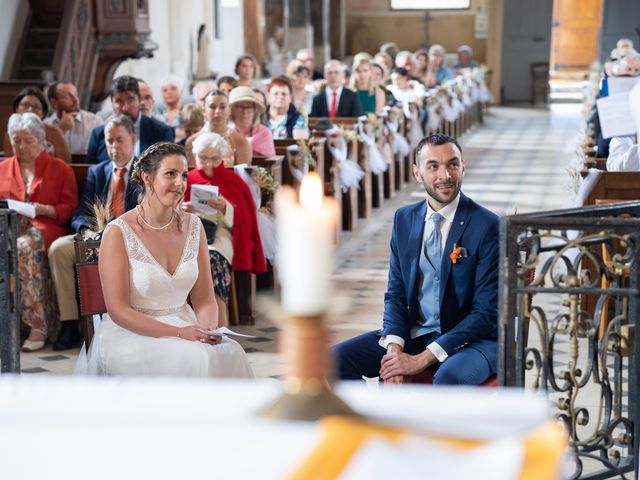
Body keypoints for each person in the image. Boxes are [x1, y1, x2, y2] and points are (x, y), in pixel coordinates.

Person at [334, 134, 499, 385]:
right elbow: (396, 293)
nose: (445, 175)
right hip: (416, 333)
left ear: (462, 167)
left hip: (473, 341)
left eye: (452, 164)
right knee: (334, 360)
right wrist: (395, 351)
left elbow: (485, 312)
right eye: (433, 166)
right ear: (417, 173)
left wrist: (421, 359)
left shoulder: (486, 225)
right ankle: (371, 422)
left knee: (448, 378)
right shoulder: (405, 219)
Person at [80, 142, 253, 377]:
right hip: (133, 334)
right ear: (147, 178)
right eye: (170, 174)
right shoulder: (118, 232)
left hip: (187, 324)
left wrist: (208, 329)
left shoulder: (195, 226)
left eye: (183, 175)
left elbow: (204, 299)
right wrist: (179, 333)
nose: (180, 183)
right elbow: (119, 310)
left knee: (231, 353)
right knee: (193, 360)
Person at [48, 115, 140, 350]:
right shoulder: (97, 172)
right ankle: (69, 324)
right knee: (59, 249)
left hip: (131, 239)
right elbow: (81, 210)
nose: (113, 147)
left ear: (132, 139)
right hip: (96, 237)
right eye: (109, 141)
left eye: (119, 140)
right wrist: (87, 230)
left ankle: (128, 319)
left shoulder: (145, 172)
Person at [0, 112, 78, 351]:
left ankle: (38, 324)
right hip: (9, 224)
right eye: (16, 141)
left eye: (27, 141)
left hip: (46, 226)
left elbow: (69, 209)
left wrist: (46, 209)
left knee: (23, 248)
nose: (21, 146)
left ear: (41, 140)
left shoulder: (60, 168)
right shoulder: (3, 168)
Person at [183, 133, 267, 326]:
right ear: (195, 157)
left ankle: (219, 325)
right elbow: (168, 211)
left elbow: (245, 219)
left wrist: (225, 207)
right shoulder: (187, 179)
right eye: (203, 158)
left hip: (220, 237)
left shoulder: (233, 181)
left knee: (210, 261)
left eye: (213, 159)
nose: (208, 164)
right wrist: (182, 209)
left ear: (222, 158)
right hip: (189, 234)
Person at [86, 75, 175, 164]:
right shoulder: (99, 134)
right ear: (112, 103)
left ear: (139, 100)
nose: (125, 108)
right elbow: (89, 170)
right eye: (118, 101)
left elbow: (168, 167)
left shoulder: (161, 131)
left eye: (130, 100)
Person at [185, 89, 251, 167]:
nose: (217, 111)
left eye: (222, 107)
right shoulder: (192, 142)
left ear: (229, 110)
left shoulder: (241, 142)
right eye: (212, 107)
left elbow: (243, 176)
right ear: (203, 110)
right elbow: (191, 175)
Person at [3, 86, 71, 163]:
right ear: (17, 108)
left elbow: (65, 163)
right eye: (25, 105)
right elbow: (10, 164)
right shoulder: (10, 133)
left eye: (36, 107)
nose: (30, 110)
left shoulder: (54, 132)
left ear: (43, 113)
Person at [45, 81, 104, 155]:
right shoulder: (46, 125)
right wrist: (60, 130)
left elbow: (96, 155)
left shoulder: (94, 121)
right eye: (67, 96)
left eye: (75, 94)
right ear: (54, 103)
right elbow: (43, 154)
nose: (75, 100)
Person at [229, 86, 276, 157]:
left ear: (255, 110)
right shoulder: (227, 132)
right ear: (232, 110)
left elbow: (271, 163)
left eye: (249, 107)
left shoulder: (264, 132)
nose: (245, 112)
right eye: (240, 107)